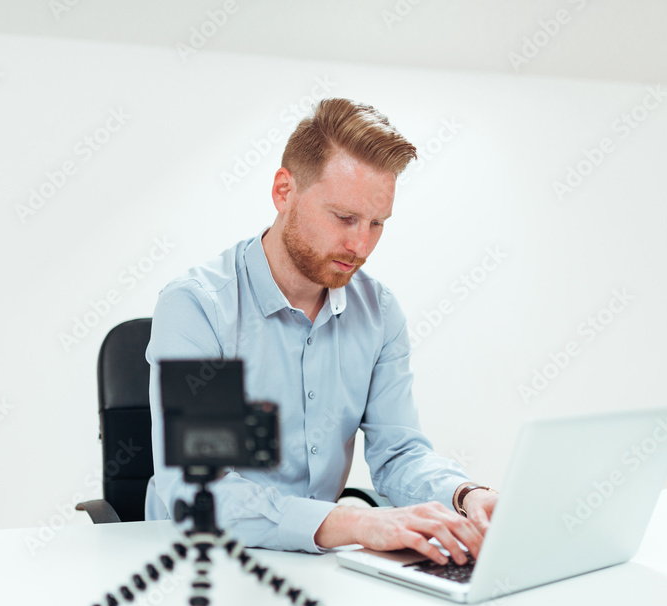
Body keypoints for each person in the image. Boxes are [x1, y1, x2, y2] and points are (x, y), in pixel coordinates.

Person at [144, 98, 497, 566]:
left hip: (316, 566)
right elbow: (199, 490)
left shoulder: (379, 312)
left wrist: (464, 494)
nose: (360, 244)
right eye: (344, 218)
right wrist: (351, 522)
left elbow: (398, 452)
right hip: (201, 564)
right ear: (284, 190)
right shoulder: (200, 307)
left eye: (377, 224)